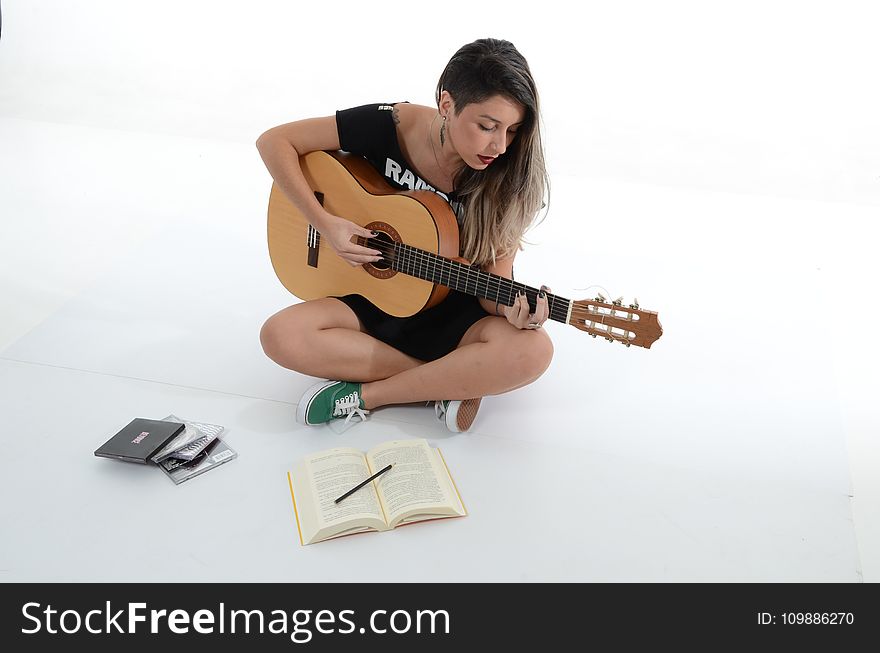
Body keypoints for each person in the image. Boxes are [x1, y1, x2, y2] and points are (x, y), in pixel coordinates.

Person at [256, 38, 553, 433]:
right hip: (372, 296)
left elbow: (492, 286)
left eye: (513, 131)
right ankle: (451, 383)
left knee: (534, 350)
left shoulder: (508, 180)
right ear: (447, 105)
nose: (499, 146)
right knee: (280, 336)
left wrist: (512, 310)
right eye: (486, 126)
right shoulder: (390, 125)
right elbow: (275, 141)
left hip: (452, 309)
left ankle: (369, 396)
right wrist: (325, 222)